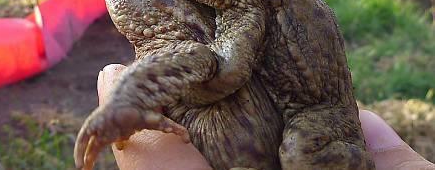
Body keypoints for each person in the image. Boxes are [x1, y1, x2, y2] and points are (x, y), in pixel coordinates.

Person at [97, 64, 435, 170]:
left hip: (309, 114)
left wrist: (130, 92)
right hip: (295, 114)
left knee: (298, 150)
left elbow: (222, 66)